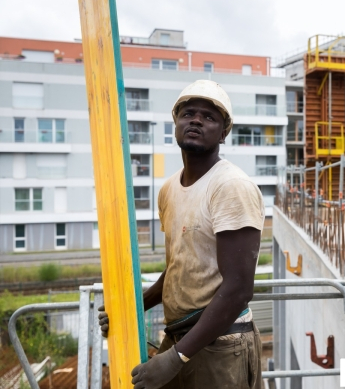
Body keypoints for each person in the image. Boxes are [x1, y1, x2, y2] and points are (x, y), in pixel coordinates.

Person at [98, 80, 265, 389]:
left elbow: (239, 289)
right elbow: (180, 269)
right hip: (181, 338)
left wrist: (176, 358)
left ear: (223, 132)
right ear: (175, 122)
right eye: (189, 113)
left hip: (221, 345)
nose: (197, 120)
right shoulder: (169, 190)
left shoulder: (230, 187)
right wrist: (130, 309)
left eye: (209, 116)